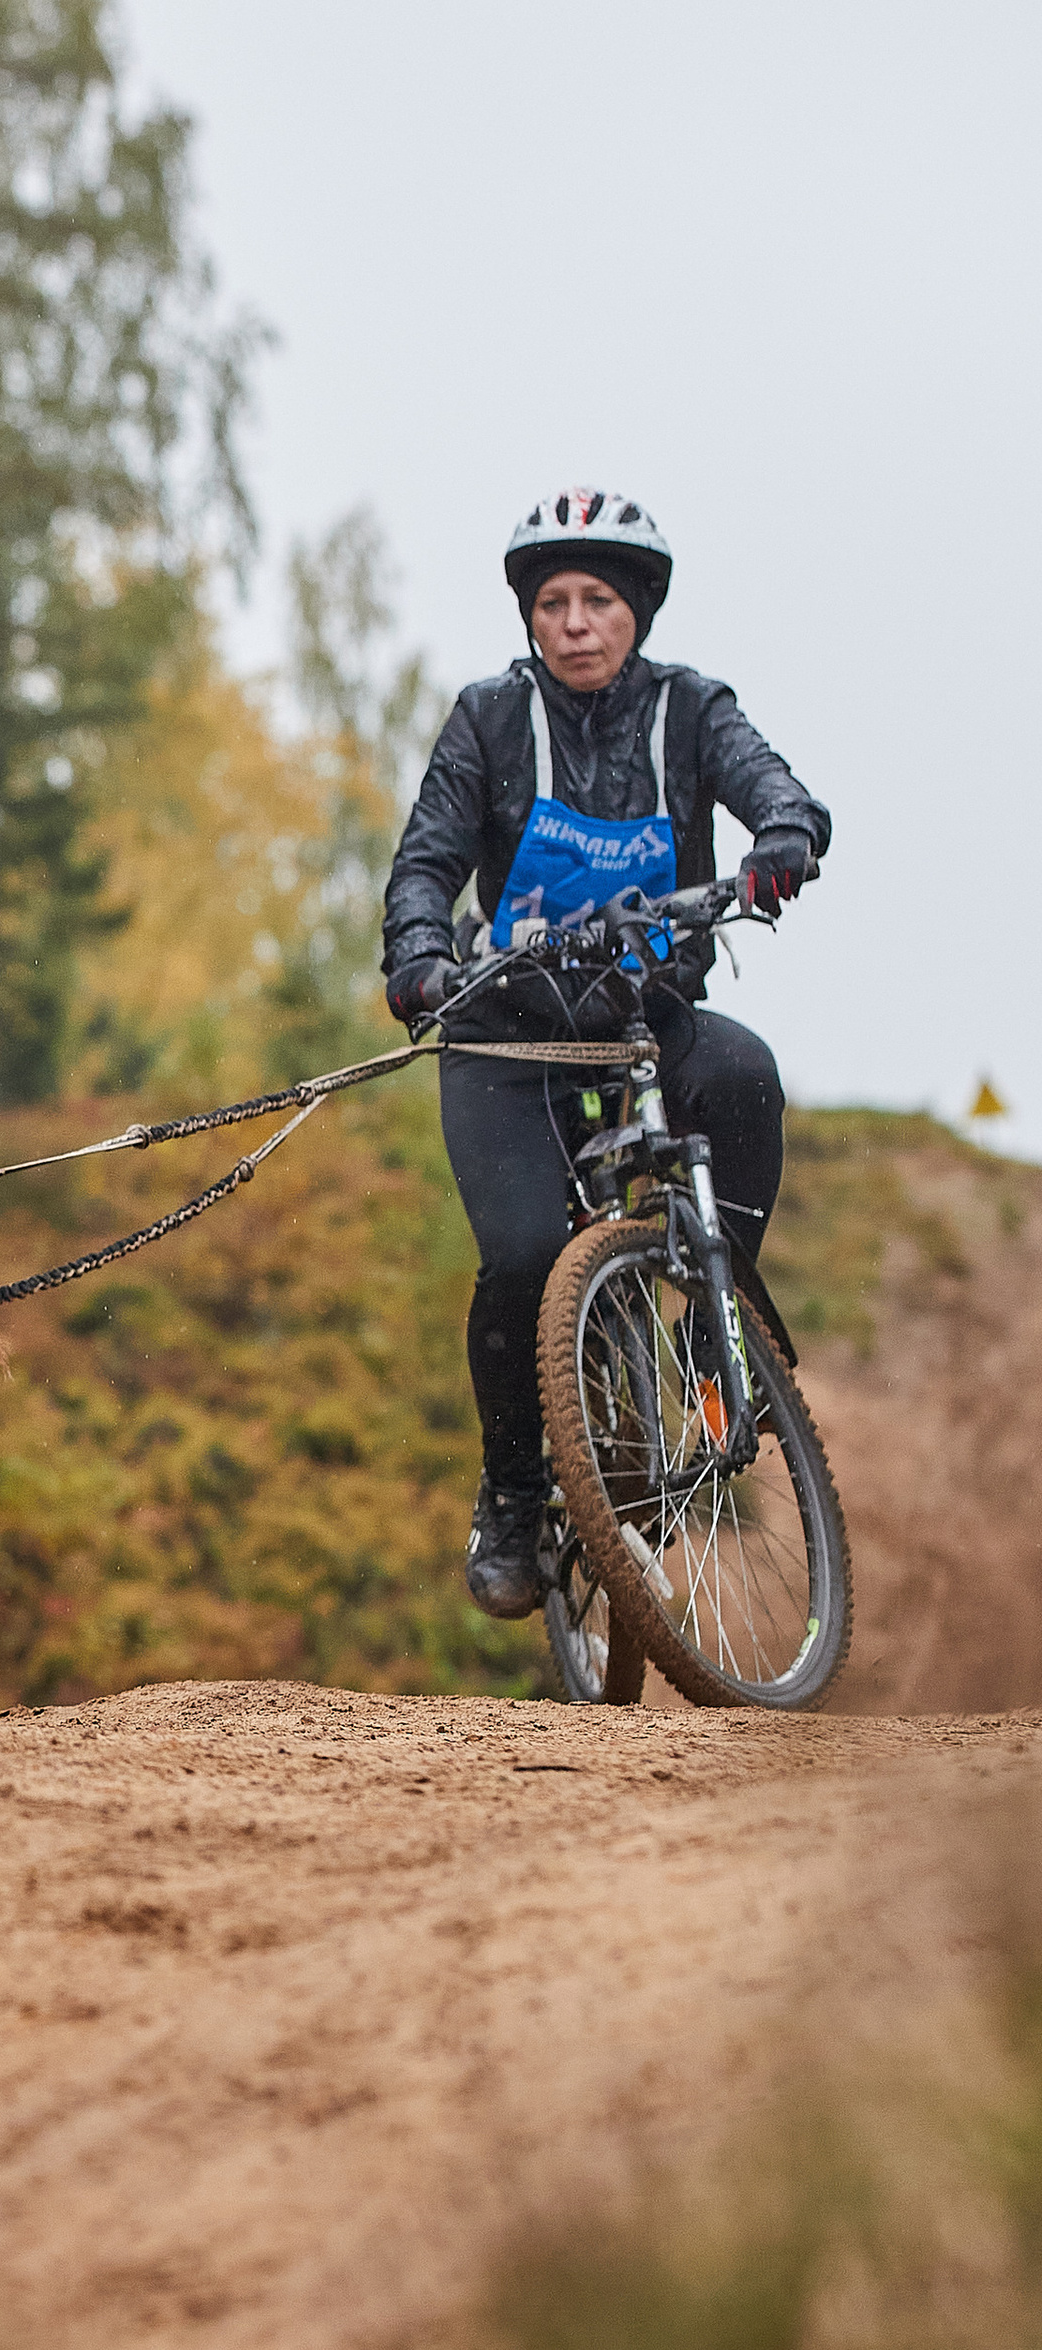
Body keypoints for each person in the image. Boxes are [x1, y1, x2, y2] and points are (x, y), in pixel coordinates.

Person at [381, 487, 830, 1618]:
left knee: (740, 1076)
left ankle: (719, 1317)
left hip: (642, 1017)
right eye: (551, 603)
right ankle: (514, 1493)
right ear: (529, 619)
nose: (573, 621)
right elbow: (426, 862)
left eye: (596, 601)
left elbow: (774, 786)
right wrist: (420, 955)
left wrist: (782, 836)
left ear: (636, 612)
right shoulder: (488, 719)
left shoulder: (691, 711)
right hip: (506, 1038)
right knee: (526, 1251)